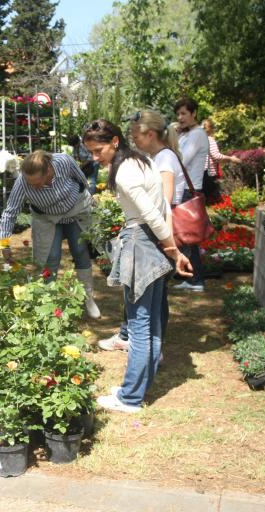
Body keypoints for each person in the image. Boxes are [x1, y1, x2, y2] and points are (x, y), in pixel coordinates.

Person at [82, 119, 191, 413]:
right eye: (90, 152)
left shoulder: (125, 171)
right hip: (153, 243)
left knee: (140, 326)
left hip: (142, 243)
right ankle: (139, 388)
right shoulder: (142, 160)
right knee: (152, 322)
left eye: (98, 150)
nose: (95, 157)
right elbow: (164, 208)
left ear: (115, 141)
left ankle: (129, 397)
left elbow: (152, 215)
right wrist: (170, 248)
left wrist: (171, 247)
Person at [98, 110, 185, 352]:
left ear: (150, 134)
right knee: (147, 295)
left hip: (157, 231)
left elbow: (162, 204)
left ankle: (147, 347)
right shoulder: (150, 157)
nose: (133, 139)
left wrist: (169, 245)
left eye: (136, 135)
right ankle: (144, 344)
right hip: (156, 230)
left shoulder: (164, 159)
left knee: (151, 300)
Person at [0, 150, 101, 319]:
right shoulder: (23, 182)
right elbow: (10, 212)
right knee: (49, 258)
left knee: (81, 252)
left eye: (37, 183)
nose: (34, 186)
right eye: (31, 183)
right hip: (47, 218)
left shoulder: (64, 161)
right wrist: (4, 243)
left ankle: (88, 299)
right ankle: (47, 303)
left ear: (49, 171)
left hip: (75, 211)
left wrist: (90, 204)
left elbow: (82, 180)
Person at [174, 97, 209, 292]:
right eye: (178, 114)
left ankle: (196, 279)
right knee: (185, 236)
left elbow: (181, 160)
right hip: (186, 189)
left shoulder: (197, 134)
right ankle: (191, 277)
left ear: (194, 113)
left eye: (184, 113)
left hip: (190, 189)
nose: (180, 118)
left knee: (188, 236)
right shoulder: (187, 134)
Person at [202, 119, 242, 185]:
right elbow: (216, 156)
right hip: (208, 175)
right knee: (211, 195)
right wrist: (231, 158)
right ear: (212, 129)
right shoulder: (209, 140)